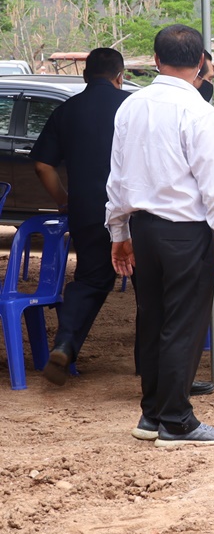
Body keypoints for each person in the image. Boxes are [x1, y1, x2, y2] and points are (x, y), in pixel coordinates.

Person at [105, 26, 214, 447]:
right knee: (183, 324)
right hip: (184, 231)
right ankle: (176, 420)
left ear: (155, 59)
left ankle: (153, 414)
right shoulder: (199, 112)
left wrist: (118, 230)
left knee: (153, 318)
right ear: (201, 62)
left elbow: (117, 176)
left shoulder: (131, 105)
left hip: (144, 228)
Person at [35, 47, 133, 384]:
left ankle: (65, 344)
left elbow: (42, 165)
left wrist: (64, 199)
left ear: (85, 76)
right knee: (151, 286)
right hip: (134, 211)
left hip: (88, 209)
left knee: (90, 280)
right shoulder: (133, 106)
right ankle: (150, 366)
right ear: (120, 77)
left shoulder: (66, 111)